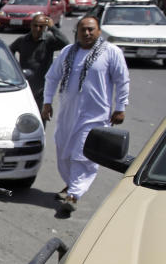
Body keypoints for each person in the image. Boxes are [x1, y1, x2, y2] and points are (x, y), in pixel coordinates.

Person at [43, 17, 129, 215]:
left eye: (91, 29)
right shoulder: (67, 52)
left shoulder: (111, 52)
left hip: (94, 116)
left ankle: (74, 195)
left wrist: (120, 107)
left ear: (99, 31)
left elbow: (122, 81)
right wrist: (47, 102)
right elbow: (52, 77)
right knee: (63, 151)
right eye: (83, 30)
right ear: (77, 32)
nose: (87, 33)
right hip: (67, 114)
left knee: (83, 155)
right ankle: (72, 184)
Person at [9, 13, 71, 116]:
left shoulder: (49, 41)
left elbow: (65, 44)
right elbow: (9, 51)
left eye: (41, 26)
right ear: (31, 25)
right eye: (35, 25)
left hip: (42, 87)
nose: (37, 29)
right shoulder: (22, 40)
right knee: (24, 114)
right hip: (26, 85)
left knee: (40, 115)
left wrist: (53, 27)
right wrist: (15, 67)